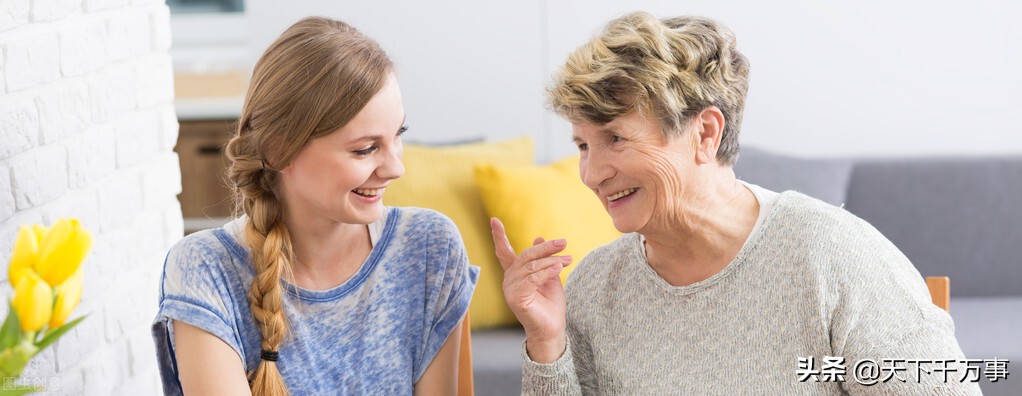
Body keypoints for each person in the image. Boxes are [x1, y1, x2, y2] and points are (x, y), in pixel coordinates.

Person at [490, 12, 980, 395]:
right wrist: (548, 343)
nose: (591, 174)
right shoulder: (596, 286)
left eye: (615, 138)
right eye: (582, 145)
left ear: (704, 133)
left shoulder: (832, 256)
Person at [152, 17, 478, 395]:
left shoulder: (428, 248)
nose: (395, 168)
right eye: (365, 149)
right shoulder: (206, 269)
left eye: (398, 135)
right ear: (279, 149)